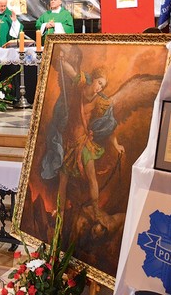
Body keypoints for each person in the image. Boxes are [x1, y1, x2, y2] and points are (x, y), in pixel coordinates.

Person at [41, 45, 125, 223]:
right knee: (62, 179)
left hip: (84, 143)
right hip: (68, 142)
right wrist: (62, 61)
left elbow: (109, 125)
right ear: (93, 79)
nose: (99, 88)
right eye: (99, 83)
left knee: (91, 177)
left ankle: (96, 212)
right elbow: (71, 72)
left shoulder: (101, 103)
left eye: (103, 86)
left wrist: (116, 144)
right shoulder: (80, 85)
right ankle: (61, 212)